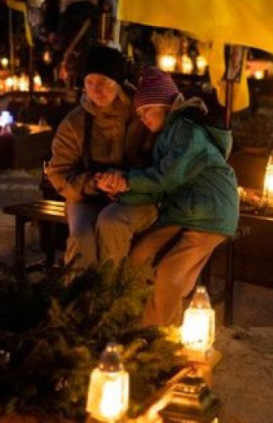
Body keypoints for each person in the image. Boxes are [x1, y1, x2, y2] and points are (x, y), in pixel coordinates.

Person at [98, 67, 239, 327]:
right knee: (140, 257)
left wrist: (127, 181)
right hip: (183, 211)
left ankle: (157, 338)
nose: (143, 119)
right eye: (139, 114)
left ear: (164, 104)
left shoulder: (186, 130)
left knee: (169, 274)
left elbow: (166, 178)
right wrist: (121, 190)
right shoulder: (167, 135)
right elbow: (159, 184)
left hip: (210, 213)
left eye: (146, 110)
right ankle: (134, 321)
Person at [45, 45, 156, 269]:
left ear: (118, 83)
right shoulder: (74, 123)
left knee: (112, 223)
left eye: (103, 82)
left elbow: (157, 159)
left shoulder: (144, 116)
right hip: (87, 196)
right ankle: (78, 299)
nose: (96, 90)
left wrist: (125, 180)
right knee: (81, 237)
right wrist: (97, 183)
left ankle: (111, 295)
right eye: (90, 83)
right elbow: (59, 174)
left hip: (137, 195)